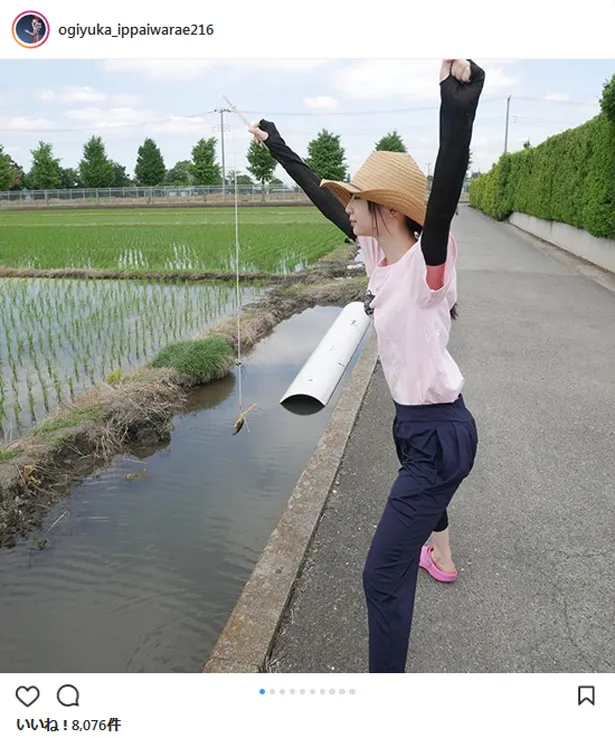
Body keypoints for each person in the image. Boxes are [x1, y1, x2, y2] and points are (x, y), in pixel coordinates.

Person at [249, 58, 484, 673]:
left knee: (381, 576)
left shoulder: (427, 266)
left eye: (355, 200)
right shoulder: (378, 257)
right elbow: (315, 194)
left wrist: (456, 105)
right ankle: (443, 553)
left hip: (441, 433)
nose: (344, 208)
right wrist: (277, 146)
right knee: (426, 500)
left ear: (385, 208)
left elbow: (446, 191)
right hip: (415, 425)